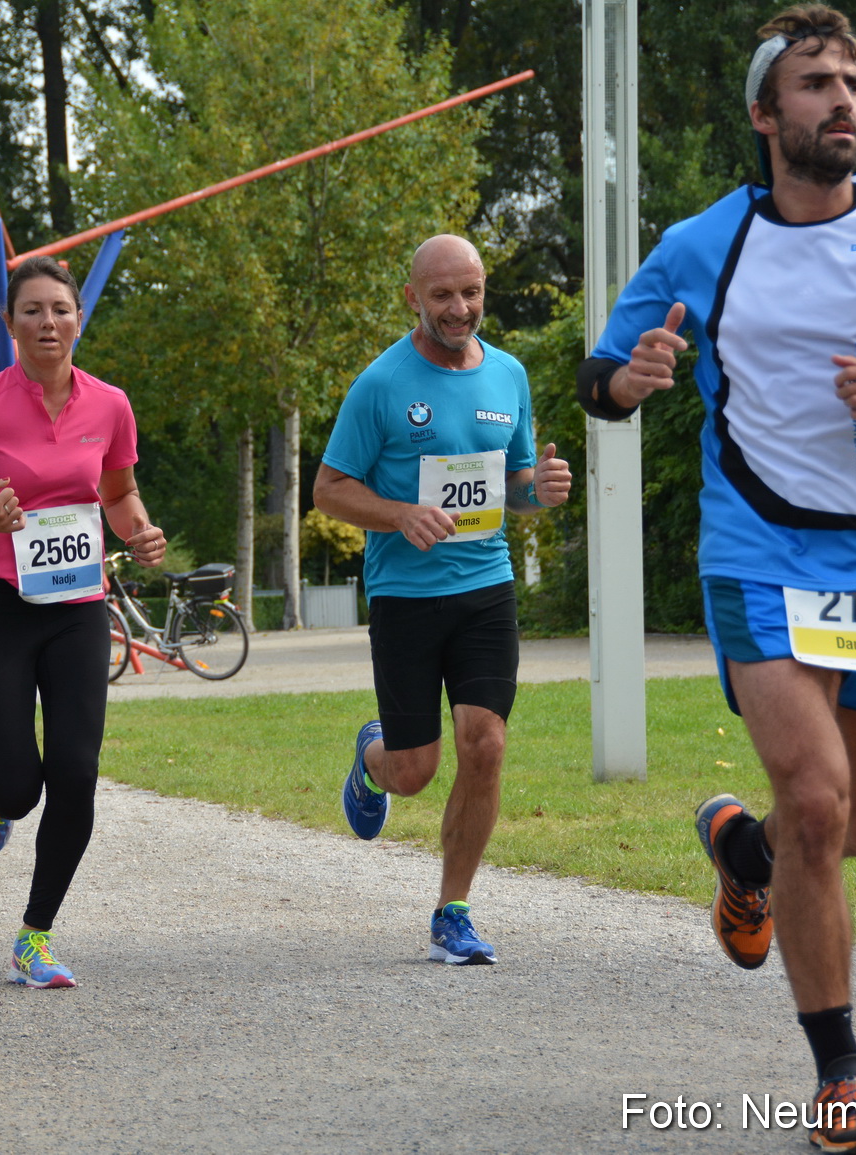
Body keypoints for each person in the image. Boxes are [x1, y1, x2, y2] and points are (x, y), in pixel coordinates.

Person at [577, 8, 856, 1151]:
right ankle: (843, 1077)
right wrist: (631, 381)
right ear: (762, 113)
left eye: (854, 84)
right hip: (762, 551)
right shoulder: (701, 244)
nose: (842, 101)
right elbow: (600, 380)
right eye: (815, 83)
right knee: (818, 804)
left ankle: (745, 853)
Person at [0, 255, 166, 989]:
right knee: (20, 785)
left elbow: (119, 492)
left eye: (60, 309)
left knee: (76, 772)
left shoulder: (110, 404)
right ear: (10, 323)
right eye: (32, 310)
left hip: (77, 608)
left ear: (78, 319)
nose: (47, 322)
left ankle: (35, 935)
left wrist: (140, 531)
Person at [313, 234, 572, 969]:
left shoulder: (509, 375)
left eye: (472, 292)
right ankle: (372, 758)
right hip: (406, 594)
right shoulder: (381, 384)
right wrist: (400, 513)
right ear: (413, 299)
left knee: (485, 743)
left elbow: (513, 485)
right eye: (442, 296)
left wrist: (538, 490)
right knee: (415, 772)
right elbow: (328, 489)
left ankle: (452, 912)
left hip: (486, 586)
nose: (460, 309)